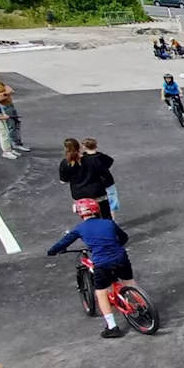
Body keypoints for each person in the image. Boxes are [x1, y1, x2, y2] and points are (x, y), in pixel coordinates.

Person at [47, 199, 135, 339]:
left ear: (79, 212)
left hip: (102, 263)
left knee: (101, 293)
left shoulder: (80, 228)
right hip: (120, 258)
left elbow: (64, 242)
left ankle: (112, 327)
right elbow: (123, 237)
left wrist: (52, 251)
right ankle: (139, 302)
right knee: (129, 282)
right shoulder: (109, 222)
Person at [58, 138, 111, 220]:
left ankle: (94, 230)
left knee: (89, 217)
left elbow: (63, 181)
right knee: (106, 214)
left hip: (79, 194)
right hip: (96, 191)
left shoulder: (65, 163)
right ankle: (109, 229)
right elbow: (104, 173)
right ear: (80, 147)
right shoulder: (91, 159)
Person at [0, 69, 28, 153]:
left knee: (16, 124)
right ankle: (11, 145)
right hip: (3, 107)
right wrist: (6, 94)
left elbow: (11, 90)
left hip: (9, 105)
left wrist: (4, 94)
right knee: (9, 127)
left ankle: (16, 143)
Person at [81, 139, 119, 217]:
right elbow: (110, 162)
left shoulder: (83, 159)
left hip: (93, 185)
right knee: (111, 204)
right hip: (107, 182)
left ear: (84, 147)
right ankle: (112, 223)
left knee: (94, 205)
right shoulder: (102, 157)